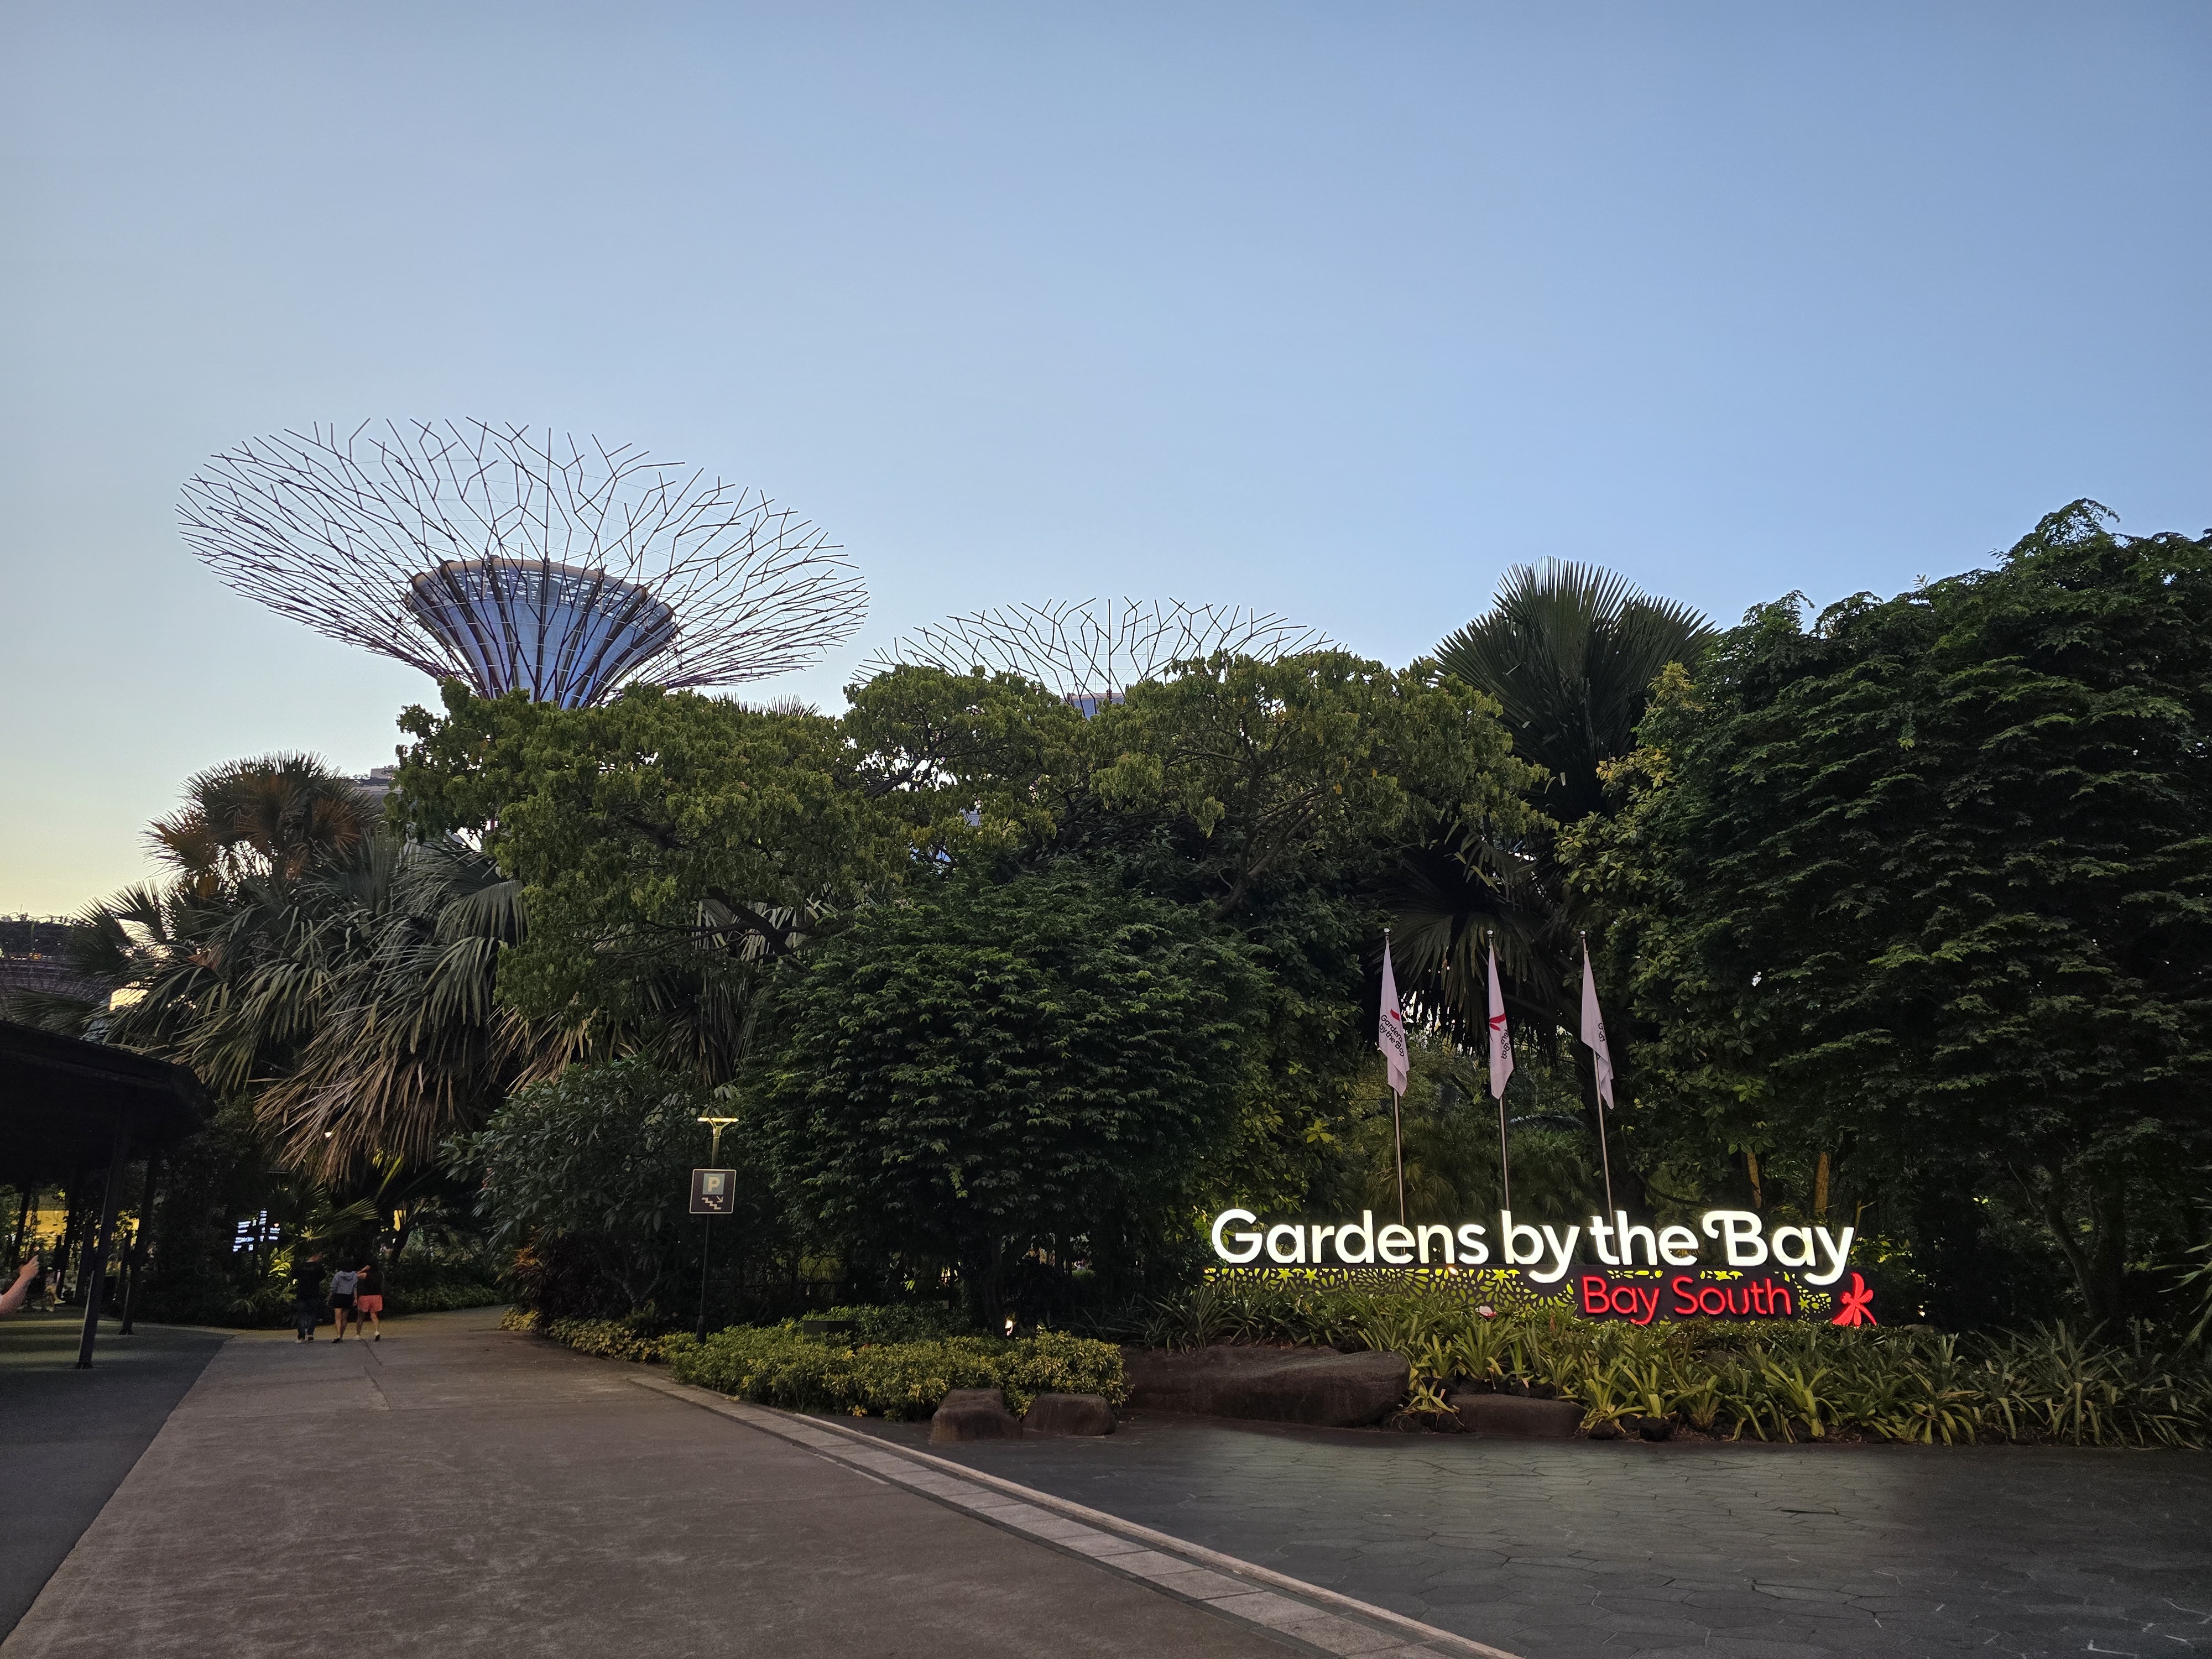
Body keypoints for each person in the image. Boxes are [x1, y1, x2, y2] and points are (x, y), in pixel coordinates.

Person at [290, 1252, 326, 1342]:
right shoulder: (318, 1267)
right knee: (313, 1313)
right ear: (315, 1256)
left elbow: (294, 1275)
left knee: (301, 1315)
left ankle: (301, 1336)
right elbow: (323, 1276)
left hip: (302, 1293)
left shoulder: (301, 1266)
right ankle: (310, 1333)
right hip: (314, 1293)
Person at [327, 1262, 360, 1340]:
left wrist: (331, 1295)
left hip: (339, 1296)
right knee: (344, 1317)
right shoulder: (354, 1275)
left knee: (338, 1316)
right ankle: (341, 1335)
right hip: (348, 1296)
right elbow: (355, 1287)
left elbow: (334, 1286)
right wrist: (356, 1298)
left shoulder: (338, 1275)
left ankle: (338, 1334)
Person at [1, 1253, 40, 1317]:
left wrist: (26, 1279)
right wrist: (25, 1277)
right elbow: (3, 1307)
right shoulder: (15, 1275)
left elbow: (10, 1308)